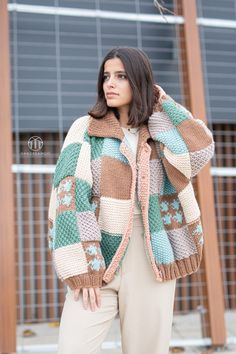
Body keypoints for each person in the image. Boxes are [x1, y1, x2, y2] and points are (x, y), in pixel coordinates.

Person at [47, 47, 215, 354]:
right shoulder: (86, 129)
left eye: (121, 76)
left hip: (153, 258)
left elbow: (199, 149)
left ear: (139, 82)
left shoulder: (160, 131)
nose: (109, 83)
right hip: (97, 256)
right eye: (106, 76)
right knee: (73, 347)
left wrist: (159, 101)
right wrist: (83, 267)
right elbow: (68, 195)